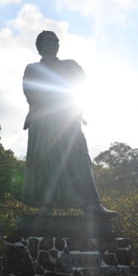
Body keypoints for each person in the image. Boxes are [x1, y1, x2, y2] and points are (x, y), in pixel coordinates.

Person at [22, 30, 116, 217]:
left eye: (56, 40)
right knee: (46, 160)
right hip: (44, 118)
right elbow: (31, 92)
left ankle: (91, 203)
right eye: (49, 40)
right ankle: (46, 204)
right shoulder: (33, 68)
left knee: (79, 157)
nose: (54, 43)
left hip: (67, 117)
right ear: (39, 47)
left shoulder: (70, 65)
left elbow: (82, 86)